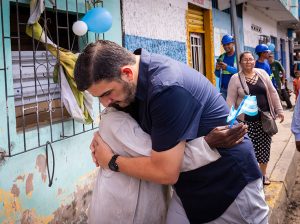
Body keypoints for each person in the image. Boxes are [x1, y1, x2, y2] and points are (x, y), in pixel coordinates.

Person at [75, 40, 269, 224]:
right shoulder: (132, 81)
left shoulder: (166, 88)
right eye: (99, 97)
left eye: (107, 94)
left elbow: (165, 171)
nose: (105, 104)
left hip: (229, 184)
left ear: (127, 73)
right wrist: (104, 133)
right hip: (188, 189)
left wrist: (110, 161)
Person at [88, 107, 221, 224]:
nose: (106, 102)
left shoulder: (133, 114)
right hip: (125, 211)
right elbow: (166, 163)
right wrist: (206, 144)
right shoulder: (118, 122)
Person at [227, 51, 284, 185]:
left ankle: (263, 175)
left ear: (254, 61)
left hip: (264, 119)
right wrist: (230, 121)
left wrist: (279, 110)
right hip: (245, 122)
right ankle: (251, 175)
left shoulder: (262, 73)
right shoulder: (236, 78)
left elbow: (272, 92)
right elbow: (230, 100)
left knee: (264, 148)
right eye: (245, 60)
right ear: (240, 63)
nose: (249, 62)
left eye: (251, 59)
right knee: (247, 150)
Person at [215, 34, 238, 99]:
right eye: (224, 45)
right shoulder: (221, 57)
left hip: (236, 89)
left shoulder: (238, 56)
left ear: (233, 43)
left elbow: (240, 72)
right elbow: (218, 75)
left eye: (228, 44)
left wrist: (227, 67)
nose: (226, 46)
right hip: (223, 89)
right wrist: (217, 69)